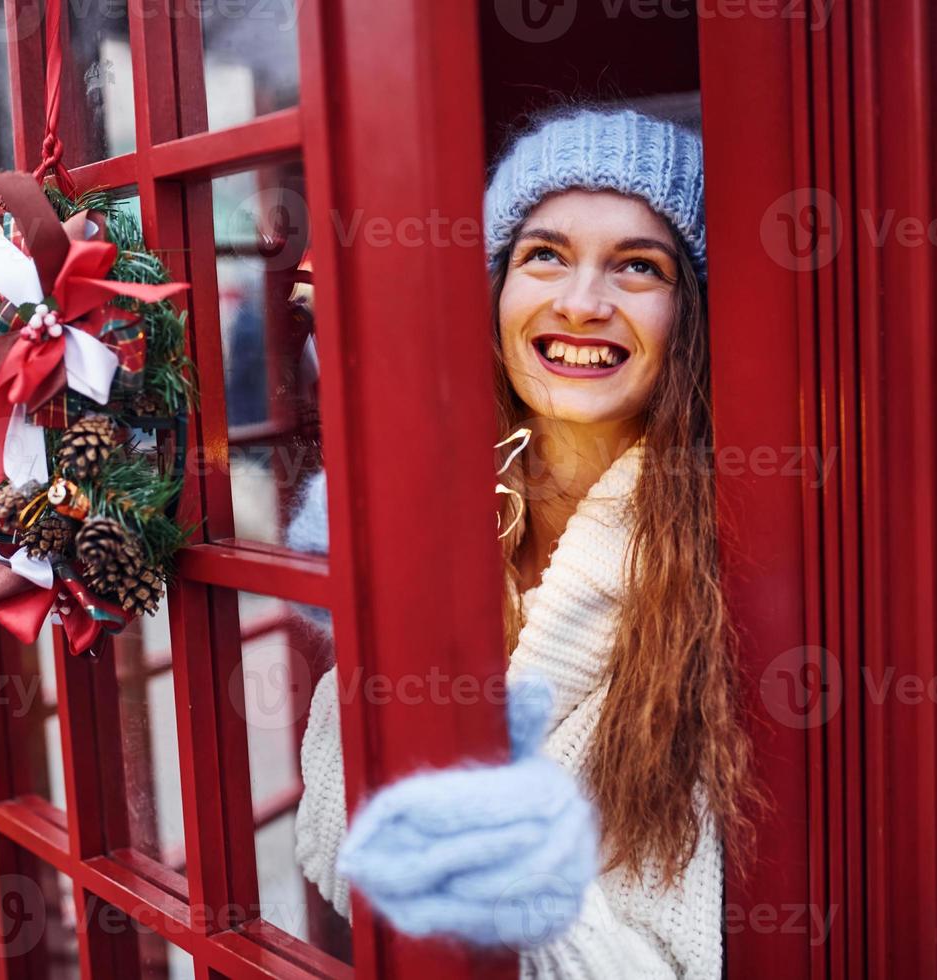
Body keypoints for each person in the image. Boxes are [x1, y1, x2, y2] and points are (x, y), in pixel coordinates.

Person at [284, 106, 761, 979]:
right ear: (498, 287)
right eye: (544, 254)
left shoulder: (727, 559)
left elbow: (671, 961)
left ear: (689, 312)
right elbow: (326, 843)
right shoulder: (443, 508)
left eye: (638, 266)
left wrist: (533, 907)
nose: (582, 303)